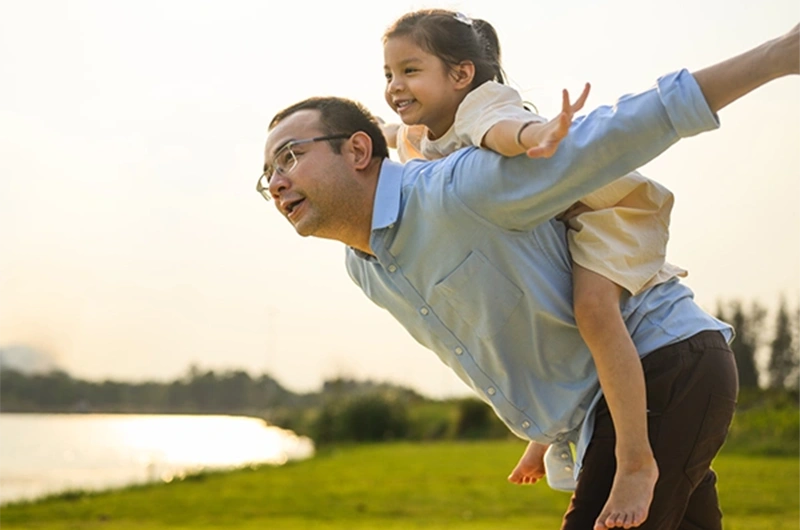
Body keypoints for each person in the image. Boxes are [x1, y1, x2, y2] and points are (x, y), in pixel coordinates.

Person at [256, 22, 799, 530]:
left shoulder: (458, 188)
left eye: (289, 157)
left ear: (356, 152)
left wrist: (775, 57)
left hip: (667, 363)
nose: (276, 182)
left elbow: (612, 133)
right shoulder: (366, 266)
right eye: (268, 174)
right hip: (608, 409)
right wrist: (541, 434)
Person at [378, 9, 684, 528]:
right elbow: (389, 133)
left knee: (590, 310)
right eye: (388, 74)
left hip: (606, 216)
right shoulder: (425, 133)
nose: (395, 85)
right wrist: (351, 134)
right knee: (540, 314)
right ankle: (548, 434)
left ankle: (635, 460)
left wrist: (537, 136)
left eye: (410, 70)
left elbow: (504, 130)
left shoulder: (482, 105)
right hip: (555, 226)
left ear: (460, 75)